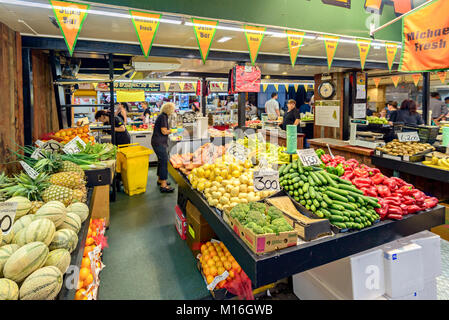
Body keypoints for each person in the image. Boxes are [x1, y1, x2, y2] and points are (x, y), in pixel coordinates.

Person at [151, 102, 176, 193]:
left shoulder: (162, 116)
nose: (173, 111)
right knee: (164, 162)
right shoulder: (163, 117)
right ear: (169, 109)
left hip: (157, 142)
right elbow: (164, 131)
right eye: (173, 109)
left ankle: (160, 180)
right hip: (159, 142)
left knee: (161, 161)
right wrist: (174, 130)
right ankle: (164, 185)